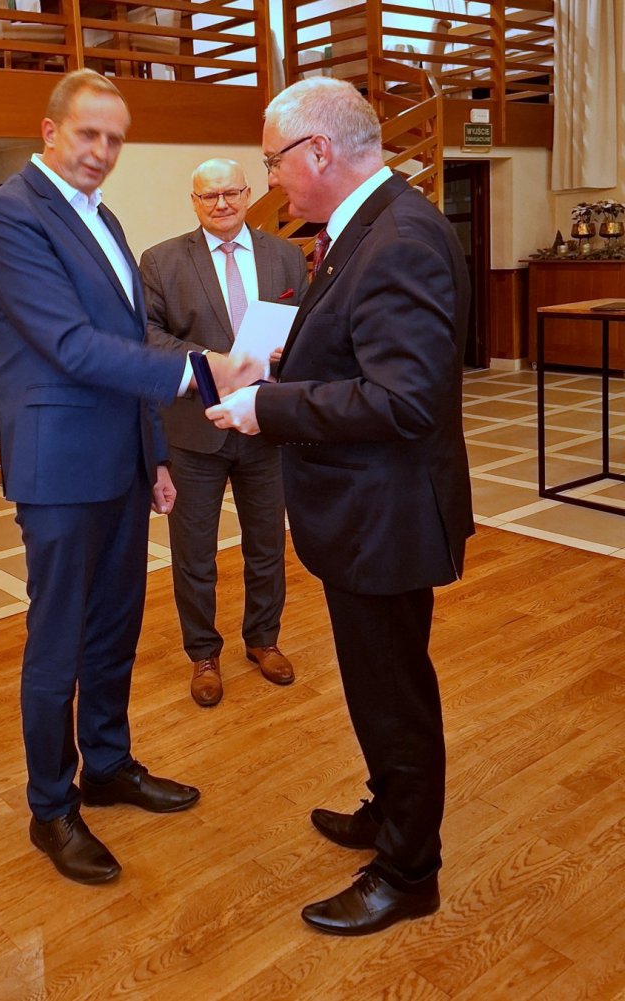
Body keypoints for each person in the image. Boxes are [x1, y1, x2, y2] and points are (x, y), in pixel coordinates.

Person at [0, 70, 260, 886]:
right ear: (50, 130)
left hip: (122, 463)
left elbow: (126, 339)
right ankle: (51, 805)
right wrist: (201, 370)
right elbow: (68, 345)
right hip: (59, 466)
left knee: (113, 629)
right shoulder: (10, 215)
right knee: (58, 641)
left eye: (116, 139)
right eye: (88, 133)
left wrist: (154, 454)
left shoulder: (103, 216)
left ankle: (106, 764)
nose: (102, 151)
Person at [207, 77, 473, 936]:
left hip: (385, 518)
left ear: (318, 151)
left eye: (273, 161)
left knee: (393, 694)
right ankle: (390, 809)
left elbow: (403, 400)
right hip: (366, 512)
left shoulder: (399, 236)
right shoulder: (367, 224)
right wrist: (290, 354)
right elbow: (366, 351)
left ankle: (408, 871)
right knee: (376, 686)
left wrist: (269, 406)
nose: (270, 179)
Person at [140, 158, 308, 707]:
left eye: (231, 193)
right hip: (195, 430)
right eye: (208, 196)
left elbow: (307, 325)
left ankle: (263, 639)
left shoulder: (285, 256)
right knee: (194, 553)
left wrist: (290, 349)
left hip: (266, 425)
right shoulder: (162, 261)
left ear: (248, 193)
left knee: (267, 545)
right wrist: (213, 362)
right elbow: (149, 336)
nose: (221, 204)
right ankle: (203, 654)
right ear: (194, 201)